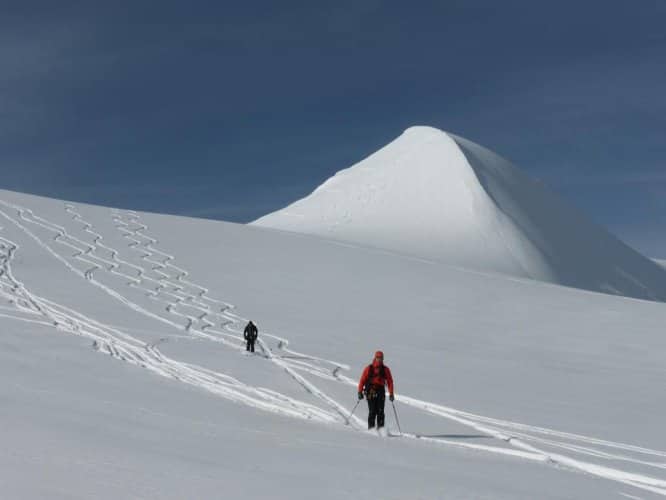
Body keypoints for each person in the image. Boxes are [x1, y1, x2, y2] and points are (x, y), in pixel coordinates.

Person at [357, 350, 394, 429]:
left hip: (380, 390)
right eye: (378, 358)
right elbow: (362, 380)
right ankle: (371, 429)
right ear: (375, 358)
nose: (379, 359)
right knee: (372, 411)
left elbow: (390, 382)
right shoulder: (369, 368)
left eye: (381, 358)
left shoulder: (385, 369)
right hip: (370, 390)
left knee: (380, 411)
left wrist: (391, 393)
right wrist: (360, 391)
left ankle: (381, 429)